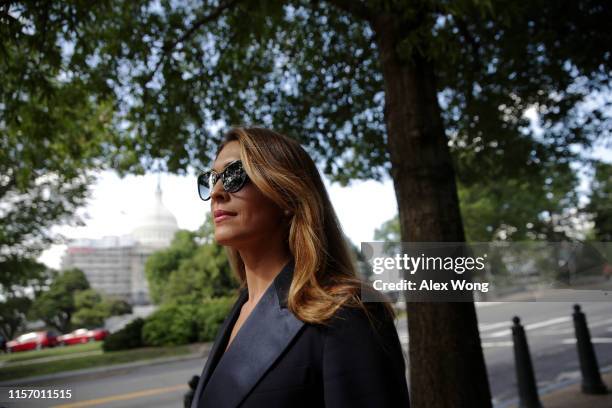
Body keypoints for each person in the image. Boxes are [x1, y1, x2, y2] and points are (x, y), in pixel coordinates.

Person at [190, 126, 410, 408]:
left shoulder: (347, 313)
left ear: (287, 197)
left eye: (234, 175)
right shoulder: (242, 307)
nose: (217, 192)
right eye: (211, 179)